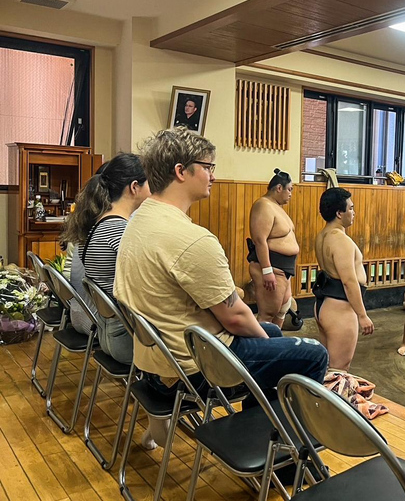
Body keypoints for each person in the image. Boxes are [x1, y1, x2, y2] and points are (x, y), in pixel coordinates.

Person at [114, 127, 328, 444]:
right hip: (193, 372)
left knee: (272, 334)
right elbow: (236, 318)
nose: (213, 176)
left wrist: (266, 341)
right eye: (208, 167)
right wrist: (266, 345)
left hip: (154, 361)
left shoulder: (138, 220)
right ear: (181, 172)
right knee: (314, 355)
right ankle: (279, 451)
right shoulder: (191, 239)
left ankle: (261, 436)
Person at [59, 153, 150, 365]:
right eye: (150, 183)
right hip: (127, 340)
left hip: (109, 334)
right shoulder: (118, 231)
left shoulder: (99, 226)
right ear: (134, 187)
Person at [313, 187, 373, 371]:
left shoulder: (322, 235)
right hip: (339, 308)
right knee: (339, 370)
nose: (353, 213)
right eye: (351, 208)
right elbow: (349, 282)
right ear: (339, 213)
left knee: (328, 367)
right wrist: (362, 315)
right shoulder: (340, 241)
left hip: (325, 304)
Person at [246, 169, 299, 328]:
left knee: (282, 309)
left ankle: (276, 346)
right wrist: (267, 270)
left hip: (284, 269)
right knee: (267, 314)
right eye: (289, 189)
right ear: (278, 188)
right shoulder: (263, 205)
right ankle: (260, 349)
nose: (290, 194)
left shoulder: (277, 207)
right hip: (272, 268)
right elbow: (259, 240)